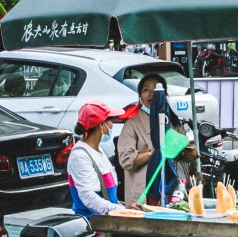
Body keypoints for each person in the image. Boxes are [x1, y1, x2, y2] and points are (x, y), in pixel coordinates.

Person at [117, 74, 194, 204]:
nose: (151, 94)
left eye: (156, 90)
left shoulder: (173, 123)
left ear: (164, 95)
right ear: (140, 96)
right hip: (144, 194)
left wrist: (188, 150)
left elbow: (187, 155)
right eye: (146, 90)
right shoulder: (132, 124)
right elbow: (125, 160)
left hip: (174, 191)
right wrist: (154, 153)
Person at [68, 102, 127, 217]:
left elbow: (107, 196)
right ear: (102, 125)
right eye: (110, 120)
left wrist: (124, 206)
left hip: (107, 218)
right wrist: (120, 210)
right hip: (92, 222)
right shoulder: (79, 156)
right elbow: (88, 197)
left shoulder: (98, 149)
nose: (112, 125)